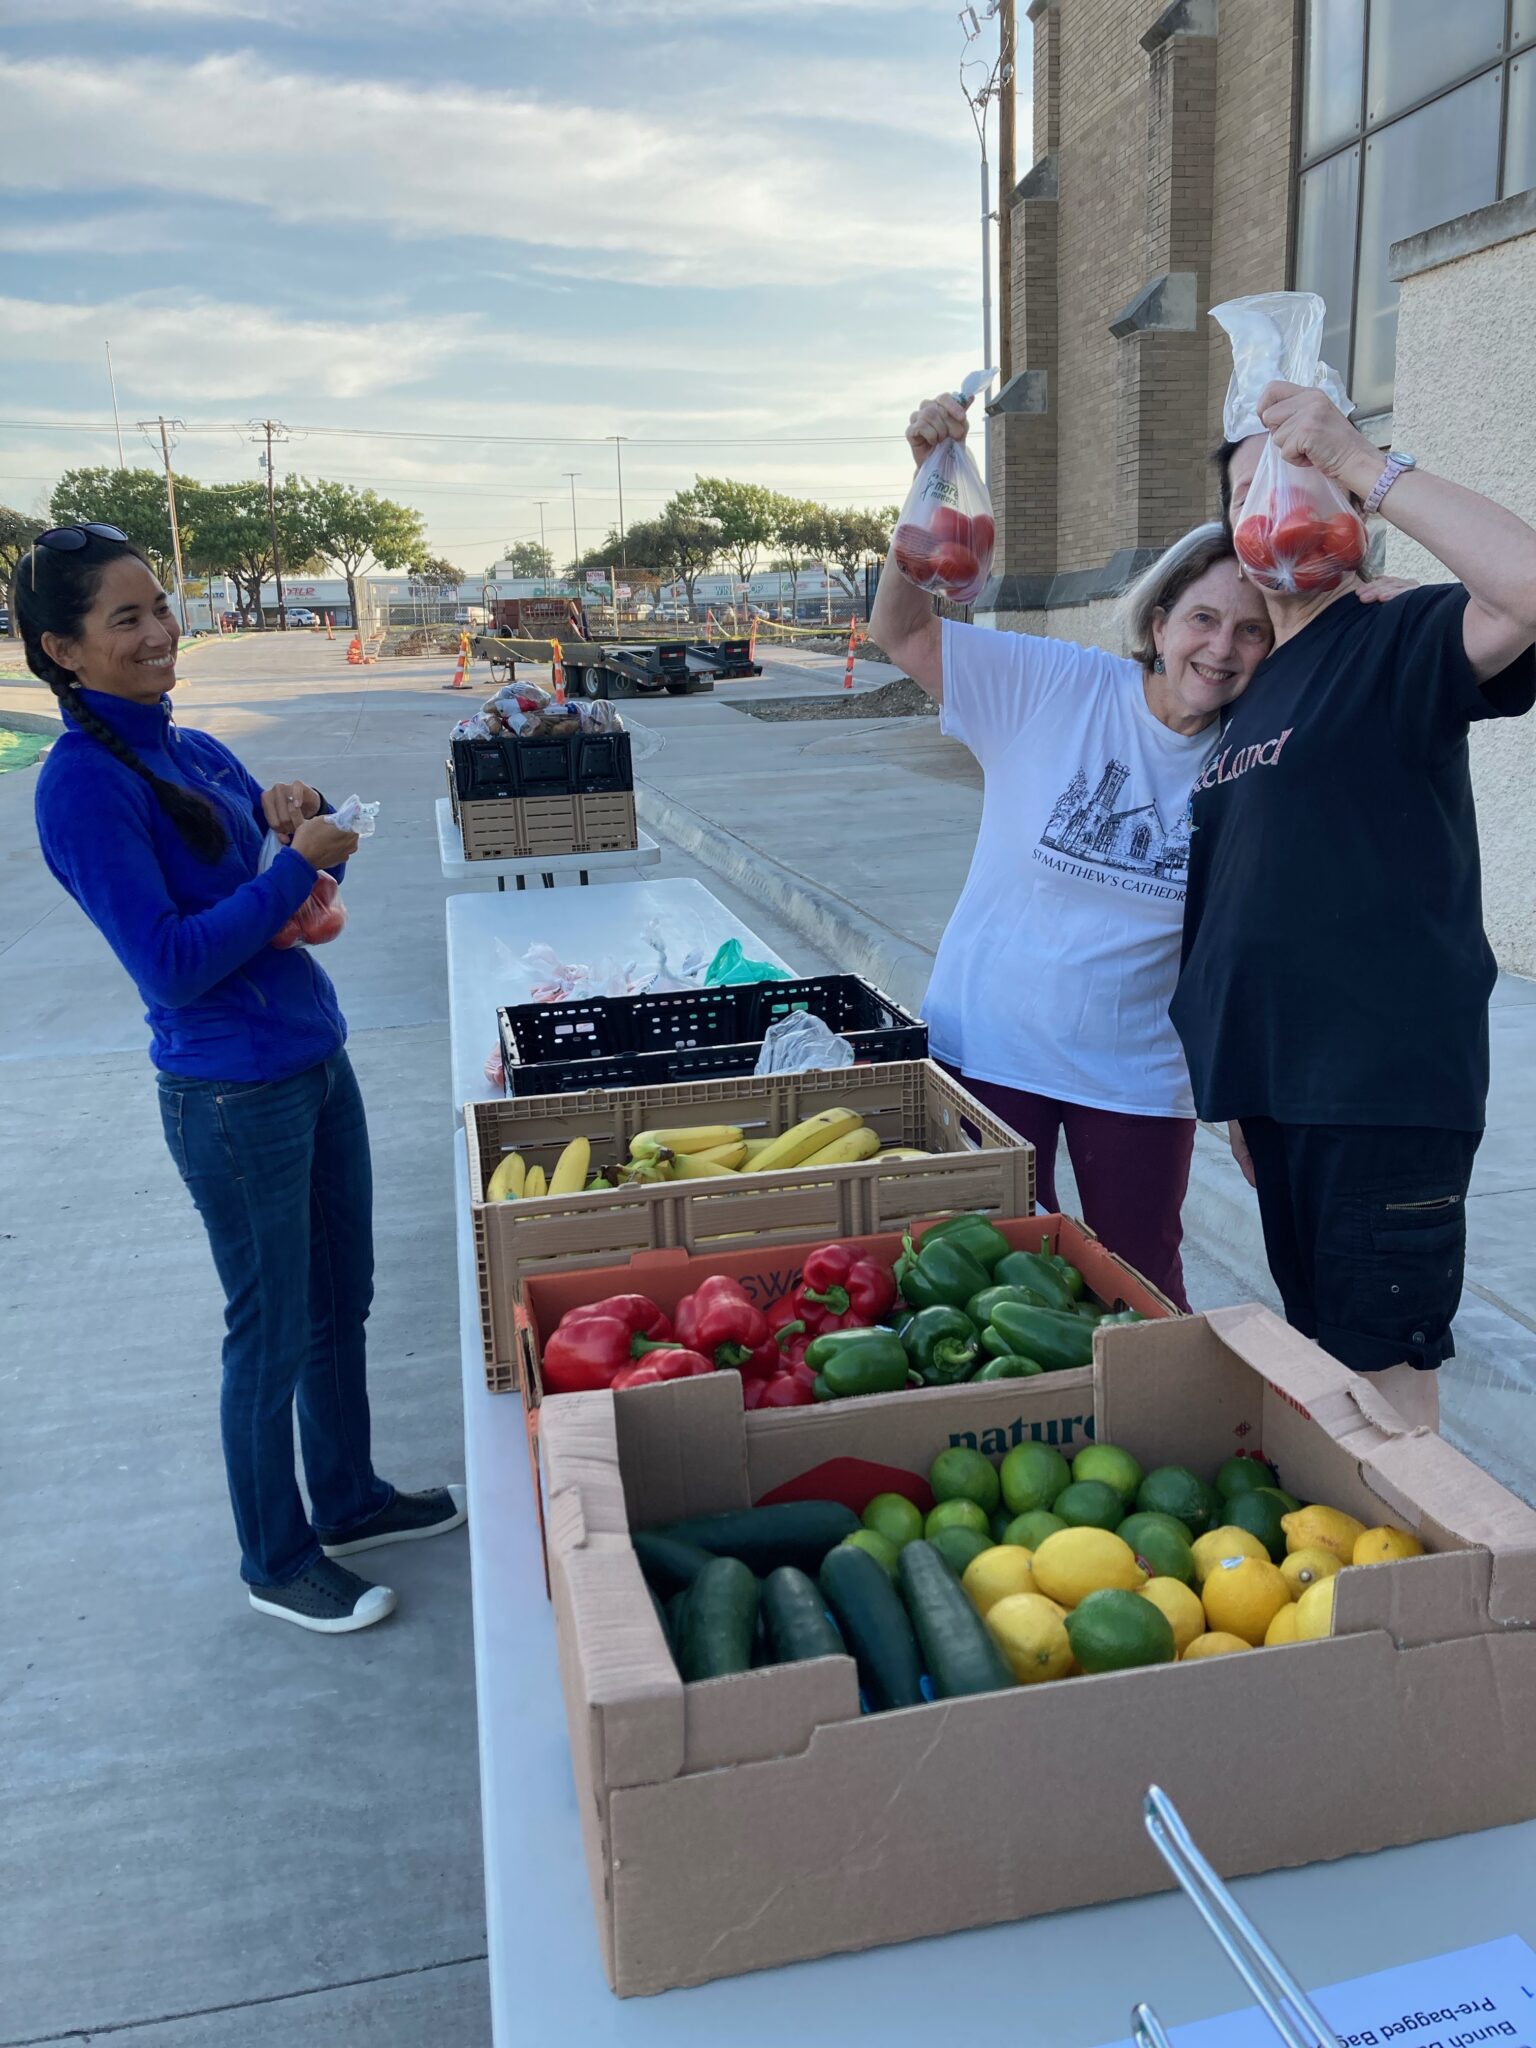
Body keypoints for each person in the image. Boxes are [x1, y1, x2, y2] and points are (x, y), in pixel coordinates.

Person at [14, 525, 465, 1633]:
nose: (161, 631)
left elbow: (260, 853)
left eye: (159, 606)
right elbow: (170, 962)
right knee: (269, 1326)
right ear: (62, 649)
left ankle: (349, 1497)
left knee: (340, 1300)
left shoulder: (195, 748)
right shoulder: (79, 787)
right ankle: (276, 1554)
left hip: (312, 1056)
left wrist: (282, 814)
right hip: (228, 1094)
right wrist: (298, 865)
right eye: (125, 618)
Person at [1173, 386, 1536, 1427]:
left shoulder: (1399, 635)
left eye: (1304, 479)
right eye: (1252, 491)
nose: (1278, 505)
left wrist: (1358, 455)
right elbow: (1247, 893)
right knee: (1328, 1365)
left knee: (1382, 1385)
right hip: (1284, 1100)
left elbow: (1525, 584)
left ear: (1353, 509)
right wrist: (1240, 1083)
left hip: (1380, 1094)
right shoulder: (1259, 687)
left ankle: (1425, 1585)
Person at [870, 397, 1284, 1309]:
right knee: (988, 1286)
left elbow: (1257, 946)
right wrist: (927, 492)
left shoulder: (1259, 755)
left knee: (1141, 1285)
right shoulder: (1055, 686)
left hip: (1137, 1072)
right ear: (1163, 617)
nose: (1221, 649)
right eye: (1205, 619)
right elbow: (901, 632)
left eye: (1251, 630)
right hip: (990, 1042)